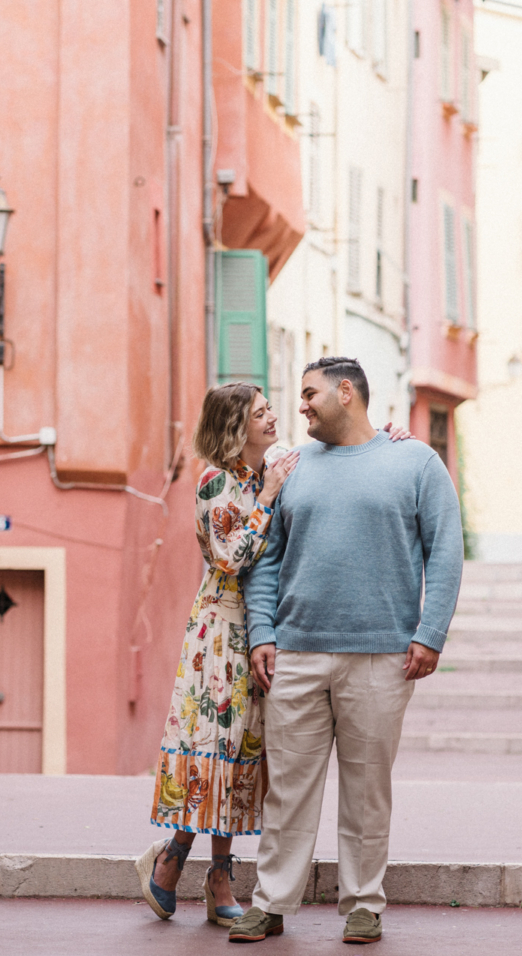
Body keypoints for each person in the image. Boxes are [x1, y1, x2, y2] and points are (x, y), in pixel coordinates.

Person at [137, 381, 411, 928]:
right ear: (236, 427)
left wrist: (387, 435)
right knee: (214, 746)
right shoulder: (216, 483)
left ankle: (217, 872)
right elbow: (231, 557)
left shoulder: (282, 464)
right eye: (261, 413)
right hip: (219, 633)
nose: (274, 418)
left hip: (271, 629)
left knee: (247, 754)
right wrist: (264, 499)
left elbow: (343, 448)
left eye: (270, 409)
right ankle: (179, 858)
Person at [228, 357, 463, 945]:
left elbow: (446, 550)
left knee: (366, 788)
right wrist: (263, 632)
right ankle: (271, 902)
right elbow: (265, 558)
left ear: (347, 392)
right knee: (287, 789)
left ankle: (363, 904)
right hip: (297, 655)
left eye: (309, 394)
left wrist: (430, 632)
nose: (299, 405)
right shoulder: (289, 467)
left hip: (382, 656)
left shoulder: (414, 461)